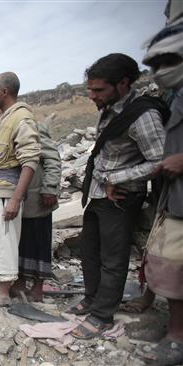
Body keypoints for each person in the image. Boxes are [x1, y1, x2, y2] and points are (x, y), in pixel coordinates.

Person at [68, 53, 167, 339]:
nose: (91, 95)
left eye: (98, 90)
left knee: (113, 257)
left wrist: (115, 178)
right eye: (90, 89)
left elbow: (160, 161)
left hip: (121, 197)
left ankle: (102, 315)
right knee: (89, 251)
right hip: (99, 194)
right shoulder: (111, 108)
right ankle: (92, 299)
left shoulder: (143, 115)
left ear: (123, 84)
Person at [0, 72, 41, 310]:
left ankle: (3, 292)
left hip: (6, 190)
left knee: (3, 242)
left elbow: (30, 160)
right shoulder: (2, 119)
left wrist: (15, 198)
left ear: (5, 92)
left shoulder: (21, 118)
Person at [139, 23, 183, 365]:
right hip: (175, 199)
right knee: (170, 265)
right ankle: (173, 331)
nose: (158, 73)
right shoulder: (173, 97)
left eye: (166, 61)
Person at [10, 122, 61, 302]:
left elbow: (52, 158)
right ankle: (21, 281)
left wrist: (50, 188)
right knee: (22, 242)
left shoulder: (33, 127)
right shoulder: (7, 127)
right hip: (21, 199)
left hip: (38, 197)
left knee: (40, 241)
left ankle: (38, 287)